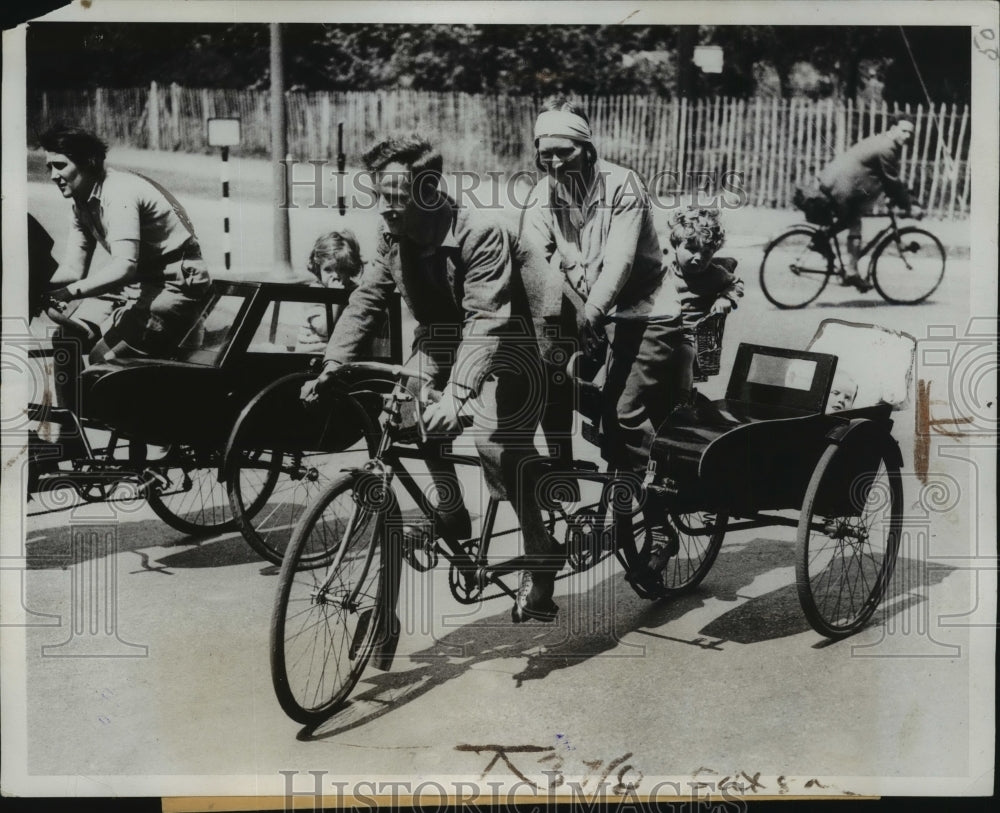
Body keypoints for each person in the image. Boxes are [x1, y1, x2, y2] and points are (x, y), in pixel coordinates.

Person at [301, 133, 562, 623]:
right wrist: (332, 364)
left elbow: (488, 319)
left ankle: (541, 553)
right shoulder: (390, 236)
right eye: (381, 196)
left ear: (429, 191)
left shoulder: (478, 230)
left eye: (397, 198)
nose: (387, 209)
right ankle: (452, 509)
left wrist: (460, 396)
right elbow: (367, 300)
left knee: (497, 443)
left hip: (519, 337)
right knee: (406, 410)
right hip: (445, 335)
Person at [518, 98, 688, 585]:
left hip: (644, 312)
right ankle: (559, 470)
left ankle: (659, 524)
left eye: (564, 152)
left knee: (624, 417)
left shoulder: (623, 185)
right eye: (544, 153)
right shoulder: (541, 195)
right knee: (543, 380)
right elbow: (532, 258)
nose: (554, 162)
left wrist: (592, 313)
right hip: (583, 309)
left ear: (587, 148)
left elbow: (620, 263)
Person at [39, 125, 213, 410]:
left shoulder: (119, 192)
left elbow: (123, 267)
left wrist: (68, 293)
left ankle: (142, 430)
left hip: (174, 284)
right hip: (136, 284)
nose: (52, 176)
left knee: (103, 364)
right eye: (49, 167)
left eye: (60, 166)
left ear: (89, 162)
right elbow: (73, 267)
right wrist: (35, 286)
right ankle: (71, 429)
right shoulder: (81, 203)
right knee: (65, 341)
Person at [817, 115, 917, 289]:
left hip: (835, 181)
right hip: (842, 187)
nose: (907, 136)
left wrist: (892, 193)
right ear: (893, 129)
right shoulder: (886, 148)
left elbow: (879, 175)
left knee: (849, 221)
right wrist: (908, 205)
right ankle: (851, 272)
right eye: (904, 131)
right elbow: (891, 180)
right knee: (854, 222)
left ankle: (820, 240)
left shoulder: (881, 140)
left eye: (910, 133)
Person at [666, 207, 744, 398]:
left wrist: (725, 297)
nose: (699, 258)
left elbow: (736, 284)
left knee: (684, 353)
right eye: (691, 249)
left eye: (707, 252)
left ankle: (683, 399)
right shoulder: (664, 271)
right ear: (676, 245)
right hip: (662, 330)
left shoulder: (715, 274)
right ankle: (602, 388)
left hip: (693, 337)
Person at [297, 229, 364, 352]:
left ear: (351, 268)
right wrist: (335, 298)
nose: (335, 275)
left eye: (342, 269)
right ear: (318, 268)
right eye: (328, 270)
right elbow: (324, 329)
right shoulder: (315, 292)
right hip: (312, 355)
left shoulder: (354, 291)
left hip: (338, 353)